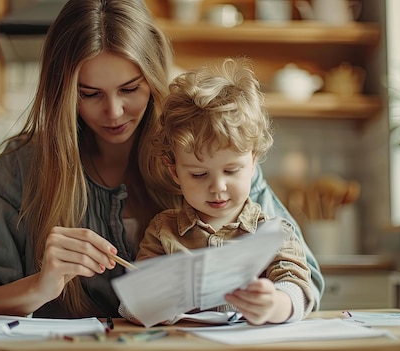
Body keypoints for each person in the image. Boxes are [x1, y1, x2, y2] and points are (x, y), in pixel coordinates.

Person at [0, 0, 323, 319]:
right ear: (64, 94)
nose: (114, 111)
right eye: (90, 94)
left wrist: (272, 300)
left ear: (152, 78)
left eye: (129, 89)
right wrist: (40, 285)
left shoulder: (204, 148)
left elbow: (304, 275)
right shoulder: (24, 165)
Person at [124, 58, 314, 325]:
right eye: (199, 174)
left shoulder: (273, 232)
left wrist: (276, 304)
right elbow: (131, 304)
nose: (217, 187)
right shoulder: (162, 231)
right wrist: (154, 307)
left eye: (232, 170)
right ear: (174, 171)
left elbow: (298, 289)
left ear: (253, 161)